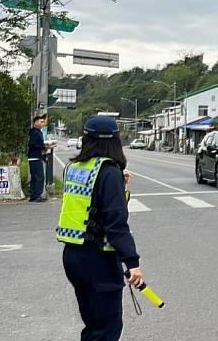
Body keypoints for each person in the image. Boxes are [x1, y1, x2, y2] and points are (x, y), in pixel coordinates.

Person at [57, 115, 143, 341]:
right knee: (106, 329)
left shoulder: (73, 168)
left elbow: (89, 203)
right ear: (114, 141)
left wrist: (117, 182)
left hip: (73, 256)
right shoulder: (108, 172)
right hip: (98, 261)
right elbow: (116, 223)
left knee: (93, 325)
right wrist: (132, 263)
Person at [26, 113, 47, 202]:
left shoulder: (36, 132)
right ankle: (37, 195)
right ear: (35, 123)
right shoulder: (35, 132)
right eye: (41, 122)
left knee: (35, 177)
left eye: (43, 122)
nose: (42, 123)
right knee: (39, 177)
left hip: (35, 157)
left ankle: (34, 195)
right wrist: (43, 147)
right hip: (35, 157)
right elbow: (32, 144)